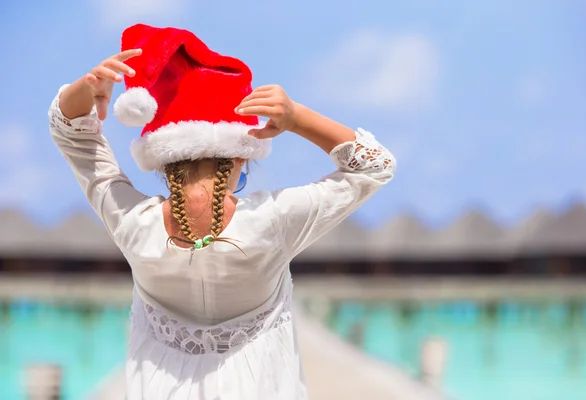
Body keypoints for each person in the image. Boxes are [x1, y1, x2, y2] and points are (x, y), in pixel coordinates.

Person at [49, 24, 395, 400]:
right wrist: (297, 118)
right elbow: (375, 165)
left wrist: (85, 89)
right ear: (241, 155)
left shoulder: (134, 224)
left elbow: (74, 136)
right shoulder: (273, 222)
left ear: (162, 160)